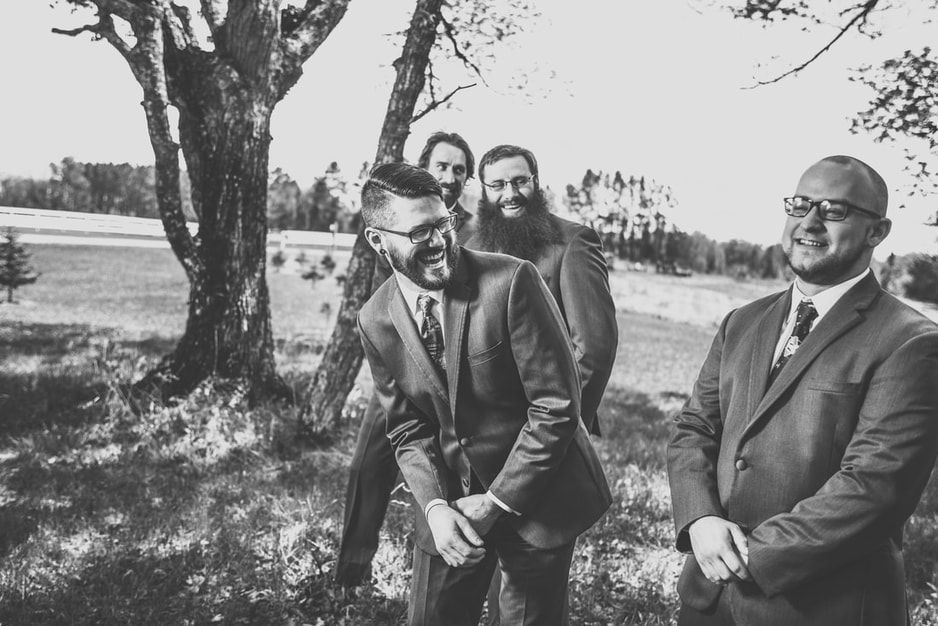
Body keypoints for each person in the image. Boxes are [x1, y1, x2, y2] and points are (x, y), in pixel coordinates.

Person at [667, 155, 938, 625]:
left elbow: (874, 489)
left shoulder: (912, 342)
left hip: (823, 607)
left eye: (834, 210)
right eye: (799, 205)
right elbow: (694, 428)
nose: (808, 223)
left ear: (878, 231)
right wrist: (700, 520)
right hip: (709, 598)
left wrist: (746, 557)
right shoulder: (743, 321)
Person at [357, 162, 611, 625]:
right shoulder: (374, 319)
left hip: (538, 498)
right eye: (418, 233)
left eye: (443, 224)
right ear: (378, 240)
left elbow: (556, 407)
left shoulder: (513, 280)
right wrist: (435, 507)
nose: (438, 243)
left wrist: (495, 503)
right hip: (449, 507)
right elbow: (407, 428)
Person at [336, 132, 478, 586]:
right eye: (442, 166)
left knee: (450, 469)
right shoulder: (392, 220)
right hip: (404, 367)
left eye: (460, 170)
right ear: (423, 168)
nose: (450, 176)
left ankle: (443, 553)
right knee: (368, 463)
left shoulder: (473, 226)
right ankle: (352, 570)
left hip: (460, 374)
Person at [465, 144, 617, 435]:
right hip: (485, 431)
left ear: (536, 180)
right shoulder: (470, 249)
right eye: (497, 184)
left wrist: (556, 429)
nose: (510, 194)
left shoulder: (574, 242)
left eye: (520, 181)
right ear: (484, 190)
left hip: (550, 425)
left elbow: (593, 352)